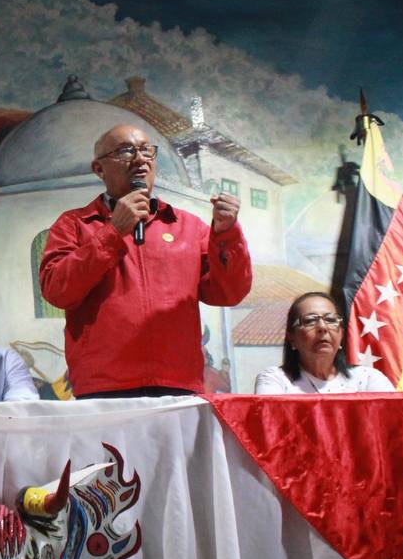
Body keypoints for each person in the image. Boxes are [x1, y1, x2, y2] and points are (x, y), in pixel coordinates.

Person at [39, 124, 252, 397]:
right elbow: (58, 291)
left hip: (179, 382)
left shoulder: (188, 227)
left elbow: (228, 293)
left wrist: (227, 235)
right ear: (99, 169)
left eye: (146, 150)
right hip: (104, 385)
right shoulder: (74, 224)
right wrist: (113, 232)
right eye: (125, 151)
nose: (140, 159)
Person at [254, 292, 395, 394]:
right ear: (292, 338)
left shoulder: (368, 378)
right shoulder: (275, 379)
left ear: (341, 334)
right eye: (310, 320)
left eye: (331, 320)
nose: (322, 327)